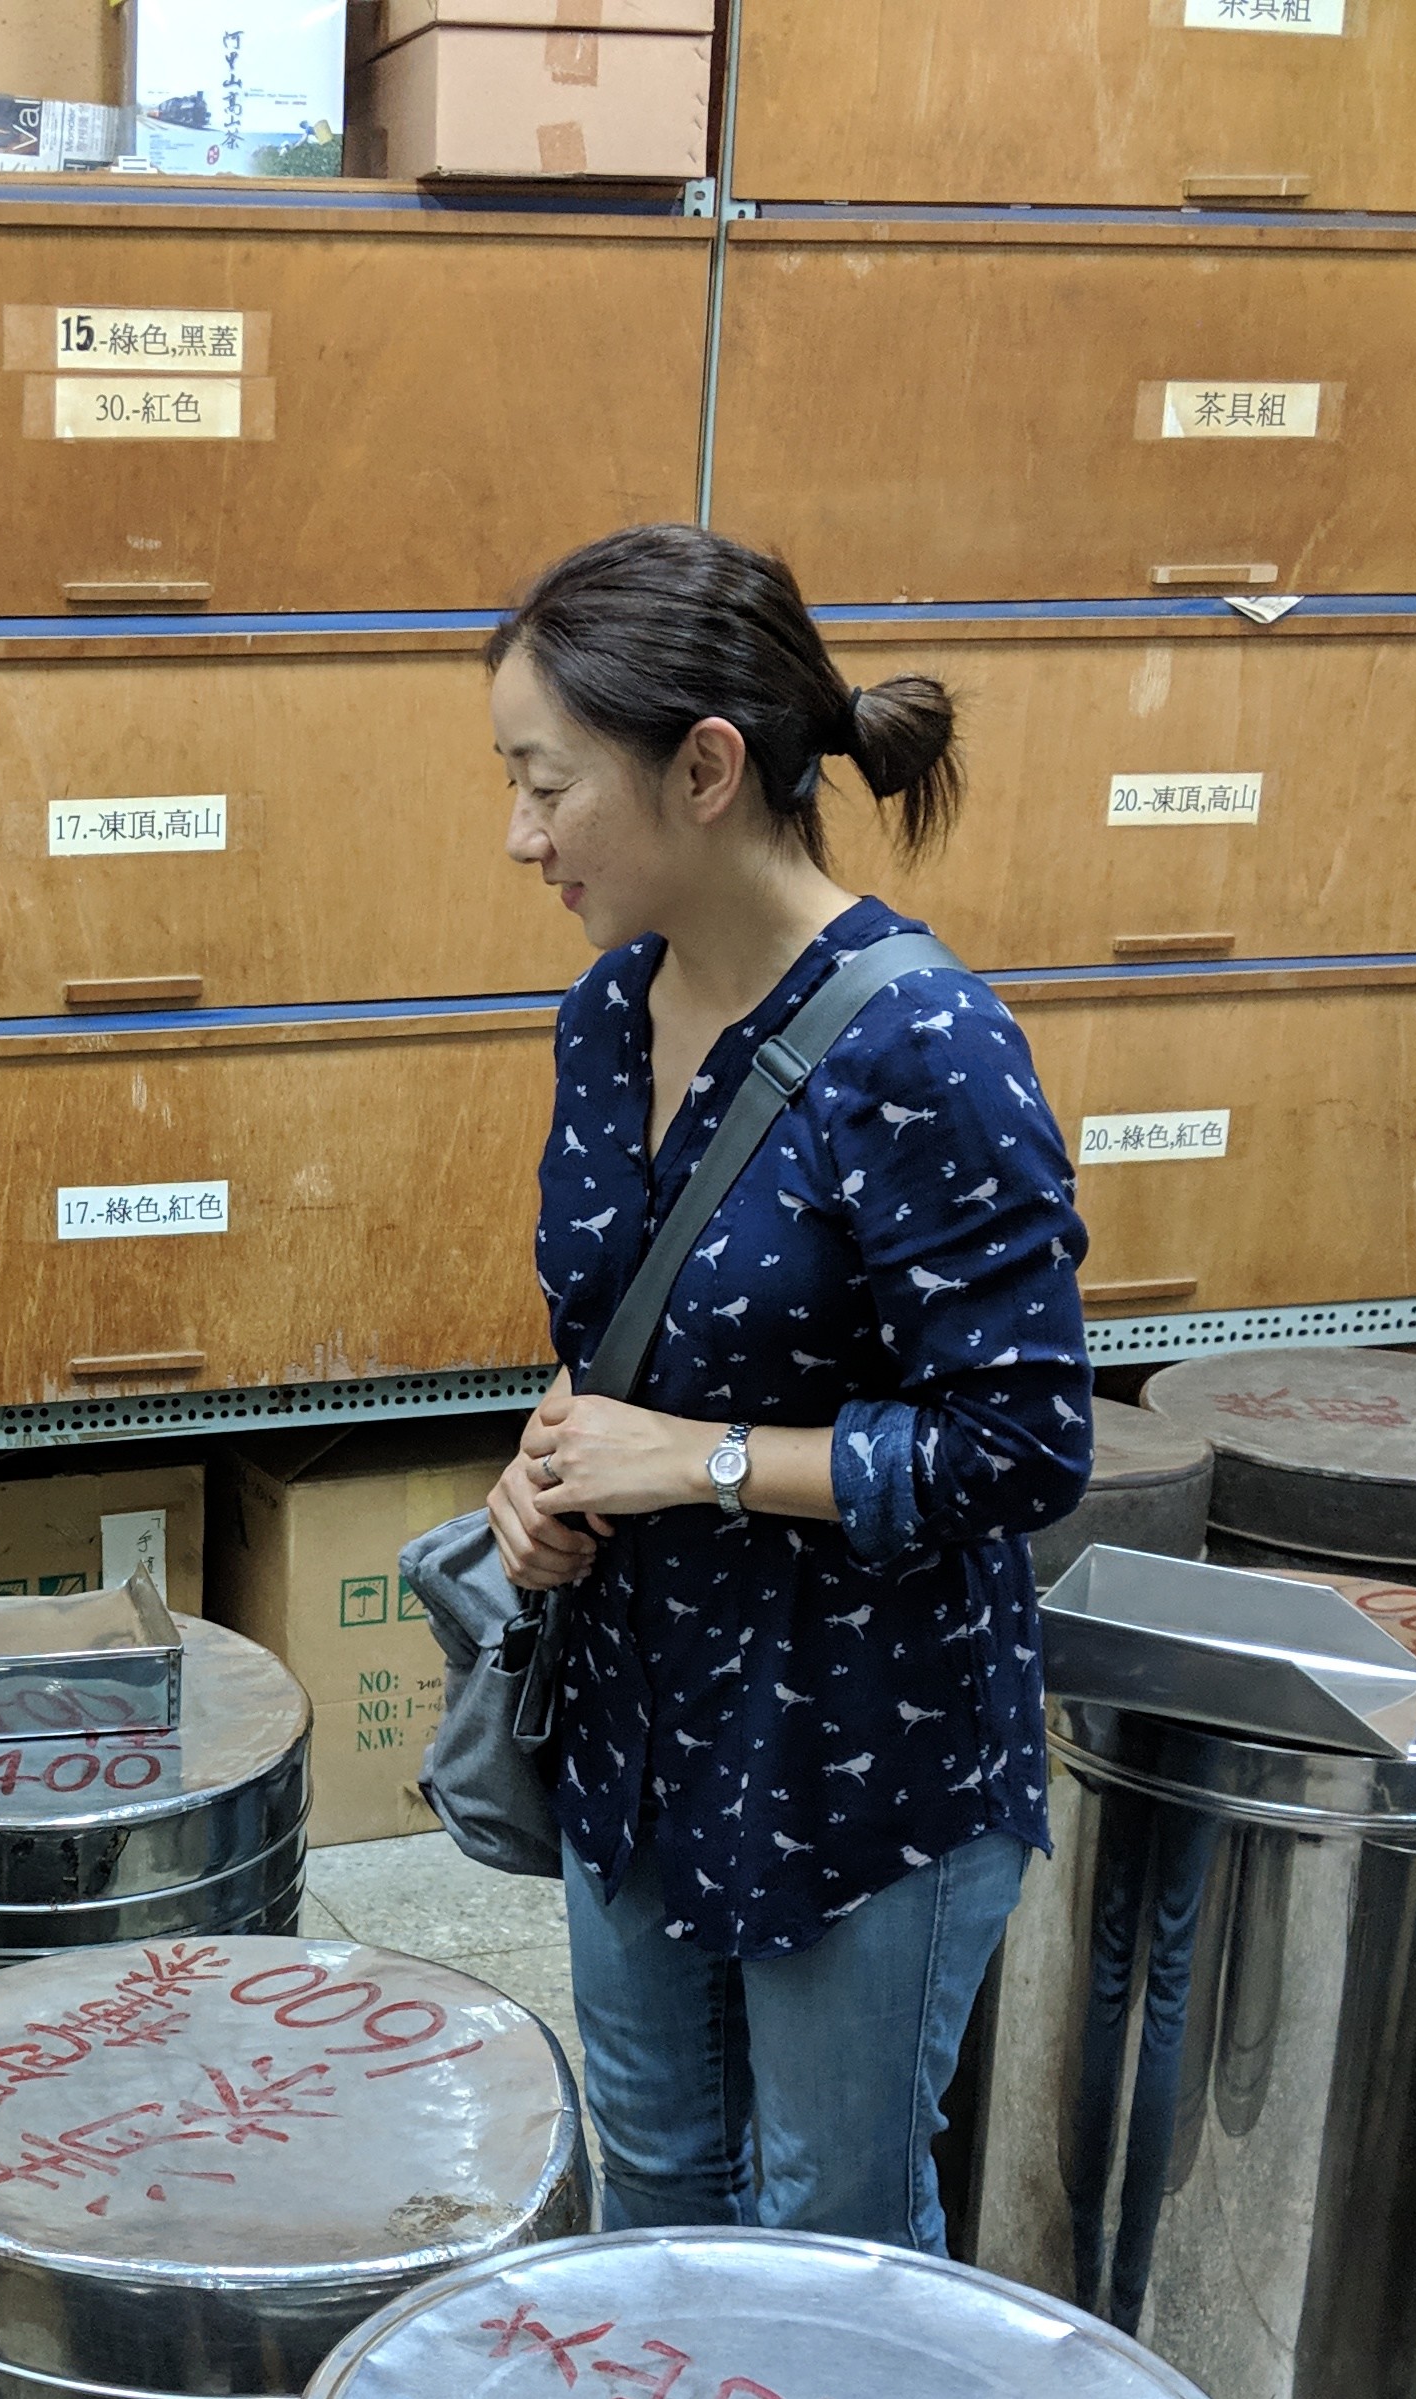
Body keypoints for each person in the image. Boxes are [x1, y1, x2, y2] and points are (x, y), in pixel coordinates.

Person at [479, 525, 1091, 2251]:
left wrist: (696, 1465)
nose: (520, 837)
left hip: (854, 1762)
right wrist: (552, 1476)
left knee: (832, 2226)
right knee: (659, 2181)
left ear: (706, 769)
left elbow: (1024, 1444)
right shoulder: (610, 1013)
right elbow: (621, 1328)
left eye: (546, 783)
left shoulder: (924, 1048)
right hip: (637, 1732)